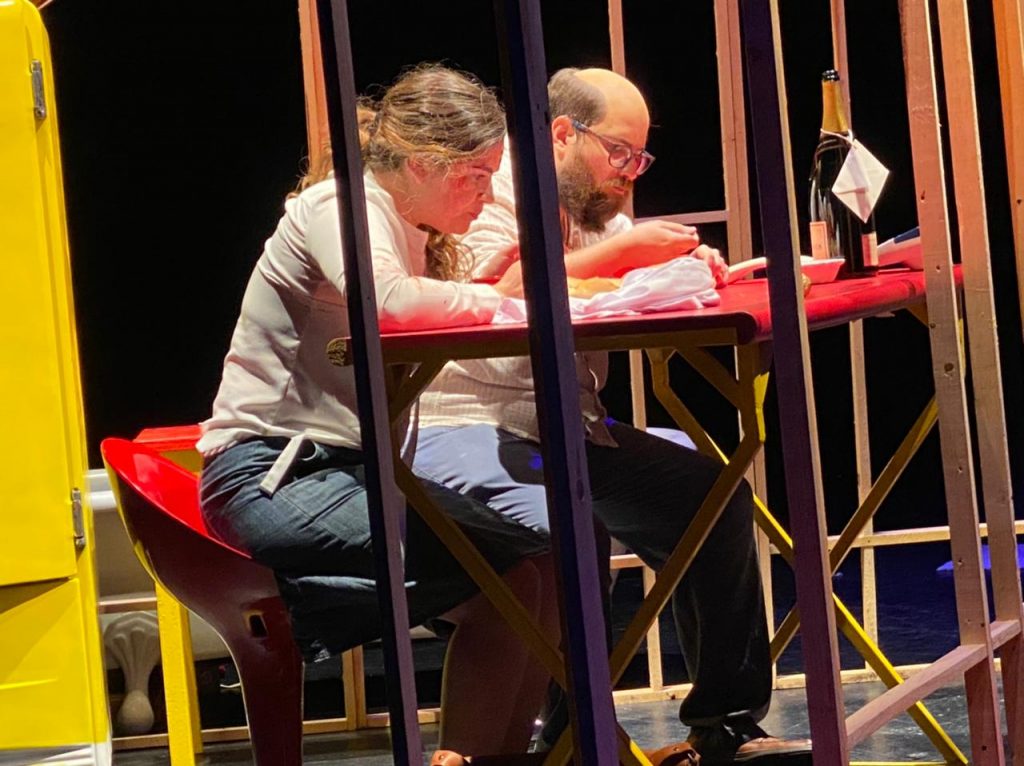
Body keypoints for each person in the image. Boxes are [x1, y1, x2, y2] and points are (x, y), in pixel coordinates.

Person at [413, 68, 813, 764]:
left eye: (639, 158)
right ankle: (577, 738)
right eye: (618, 152)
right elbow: (499, 297)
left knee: (712, 497)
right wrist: (623, 256)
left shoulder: (591, 208)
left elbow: (618, 275)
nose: (628, 172)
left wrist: (686, 266)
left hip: (567, 427)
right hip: (473, 421)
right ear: (561, 134)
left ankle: (725, 723)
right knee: (570, 521)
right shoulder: (488, 189)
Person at [197, 64, 560, 761]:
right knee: (507, 579)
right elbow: (386, 302)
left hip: (344, 474)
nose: (488, 195)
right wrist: (496, 301)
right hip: (273, 475)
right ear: (423, 164)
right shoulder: (340, 205)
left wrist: (480, 289)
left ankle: (506, 755)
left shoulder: (402, 224)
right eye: (476, 175)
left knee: (537, 562)